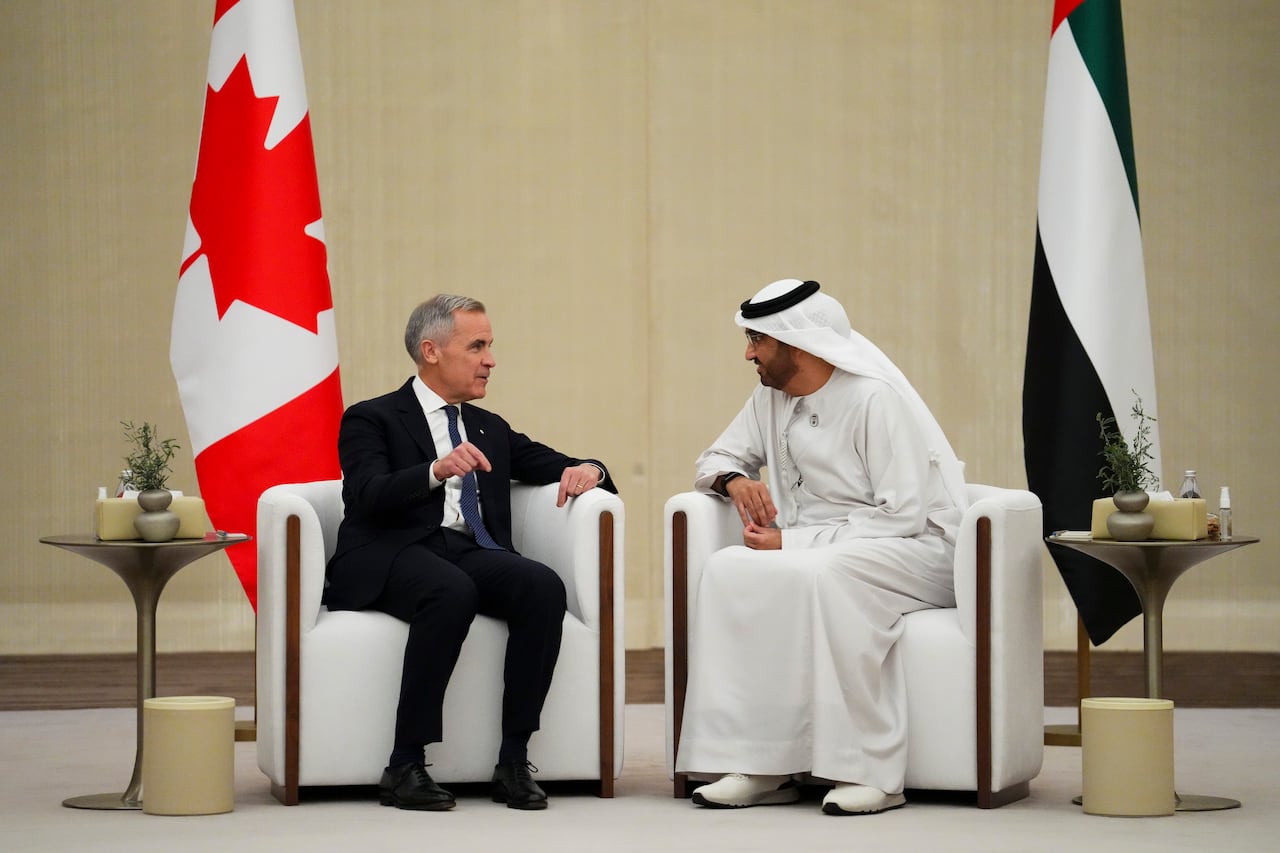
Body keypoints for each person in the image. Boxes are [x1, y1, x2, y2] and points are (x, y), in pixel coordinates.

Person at [676, 278, 968, 816]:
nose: (748, 354)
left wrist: (793, 541)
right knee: (728, 570)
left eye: (756, 341)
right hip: (818, 549)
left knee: (832, 573)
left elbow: (902, 515)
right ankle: (761, 765)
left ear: (795, 344)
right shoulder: (769, 397)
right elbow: (713, 459)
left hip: (916, 549)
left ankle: (873, 773)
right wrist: (735, 481)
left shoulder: (872, 398)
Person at [324, 294, 615, 812]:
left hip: (465, 547)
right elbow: (366, 495)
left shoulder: (488, 427)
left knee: (541, 586)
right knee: (449, 591)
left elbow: (561, 462)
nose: (490, 359)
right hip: (390, 550)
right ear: (431, 351)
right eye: (477, 346)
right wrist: (436, 470)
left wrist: (590, 470)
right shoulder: (372, 418)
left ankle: (512, 759)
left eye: (490, 346)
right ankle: (405, 763)